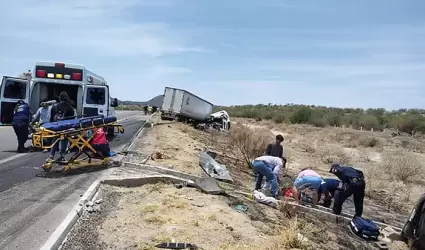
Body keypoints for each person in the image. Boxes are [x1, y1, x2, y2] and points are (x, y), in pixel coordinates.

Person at [47, 92, 76, 161]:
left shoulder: (55, 107)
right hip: (65, 127)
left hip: (56, 126)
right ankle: (62, 156)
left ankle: (51, 156)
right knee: (64, 141)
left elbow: (51, 118)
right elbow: (71, 120)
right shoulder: (70, 108)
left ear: (59, 98)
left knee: (55, 141)